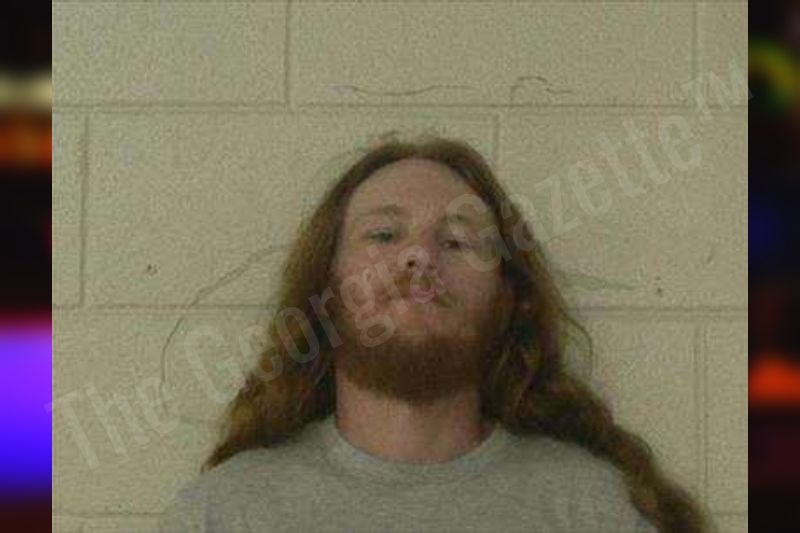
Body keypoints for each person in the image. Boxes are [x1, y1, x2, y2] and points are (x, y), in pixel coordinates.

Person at [158, 135, 709, 532]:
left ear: (507, 302)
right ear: (325, 286)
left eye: (456, 241)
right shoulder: (224, 515)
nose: (419, 256)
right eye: (383, 234)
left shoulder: (591, 512)